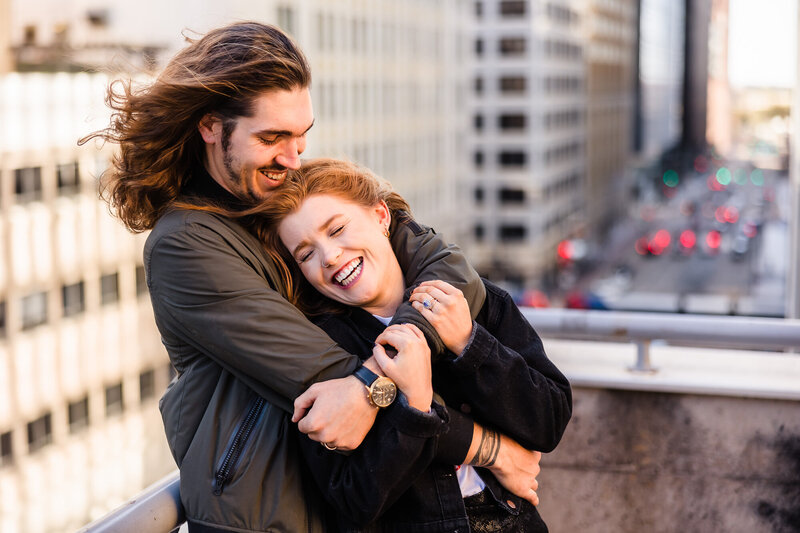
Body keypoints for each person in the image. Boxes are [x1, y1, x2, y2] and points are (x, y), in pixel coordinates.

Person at [80, 22, 487, 532]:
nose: (293, 160)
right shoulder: (185, 245)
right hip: (270, 519)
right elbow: (330, 377)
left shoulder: (292, 194)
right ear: (211, 127)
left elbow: (453, 272)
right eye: (271, 138)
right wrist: (490, 447)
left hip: (346, 503)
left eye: (300, 137)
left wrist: (372, 377)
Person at [254, 158, 573, 532]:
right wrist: (414, 408)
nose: (330, 256)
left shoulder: (477, 301)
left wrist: (471, 345)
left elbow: (549, 421)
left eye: (337, 228)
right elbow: (353, 499)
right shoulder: (317, 347)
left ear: (380, 216)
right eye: (306, 254)